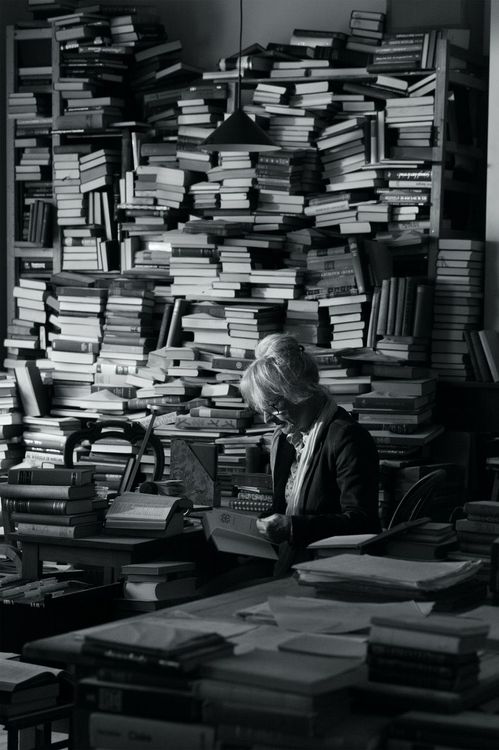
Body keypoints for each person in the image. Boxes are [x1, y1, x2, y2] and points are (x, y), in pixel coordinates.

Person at [239, 333, 381, 569]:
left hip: (329, 568)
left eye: (272, 405)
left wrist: (293, 527)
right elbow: (281, 508)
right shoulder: (284, 438)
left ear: (299, 392)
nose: (266, 419)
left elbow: (362, 523)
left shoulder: (347, 438)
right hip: (284, 559)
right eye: (261, 408)